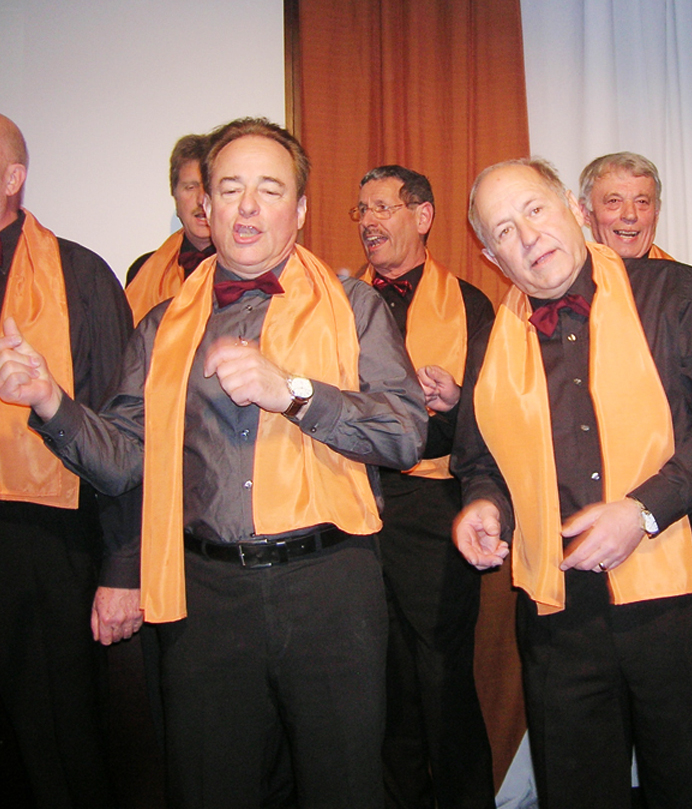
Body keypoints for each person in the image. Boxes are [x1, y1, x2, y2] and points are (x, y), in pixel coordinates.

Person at [0, 117, 428, 808]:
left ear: (300, 209)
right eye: (230, 189)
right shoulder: (162, 324)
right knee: (209, 786)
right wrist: (50, 400)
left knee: (343, 786)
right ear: (206, 205)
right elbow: (122, 461)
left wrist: (293, 393)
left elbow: (404, 433)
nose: (247, 206)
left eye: (269, 189)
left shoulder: (355, 306)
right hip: (205, 596)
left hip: (330, 587)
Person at [453, 157, 692, 809]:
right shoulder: (489, 341)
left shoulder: (675, 291)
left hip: (678, 586)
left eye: (534, 209)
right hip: (559, 607)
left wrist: (642, 511)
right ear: (491, 255)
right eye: (504, 230)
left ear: (569, 204)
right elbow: (481, 460)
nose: (528, 235)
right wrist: (483, 506)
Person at [0, 113, 137, 807]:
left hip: (44, 535)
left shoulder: (78, 275)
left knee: (56, 731)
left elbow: (120, 436)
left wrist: (122, 567)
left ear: (12, 178)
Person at [354, 164, 495, 809]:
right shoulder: (334, 300)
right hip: (352, 507)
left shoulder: (469, 304)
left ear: (423, 215)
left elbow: (497, 420)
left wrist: (458, 400)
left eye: (382, 207)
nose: (368, 222)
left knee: (442, 679)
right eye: (362, 210)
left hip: (433, 508)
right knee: (378, 683)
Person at [126, 133, 216, 322]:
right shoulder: (142, 272)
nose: (201, 199)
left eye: (209, 188)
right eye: (190, 187)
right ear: (174, 195)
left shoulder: (251, 268)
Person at [578, 151, 671, 260]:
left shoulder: (676, 271)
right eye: (614, 201)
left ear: (656, 212)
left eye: (641, 202)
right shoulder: (568, 269)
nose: (630, 215)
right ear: (586, 213)